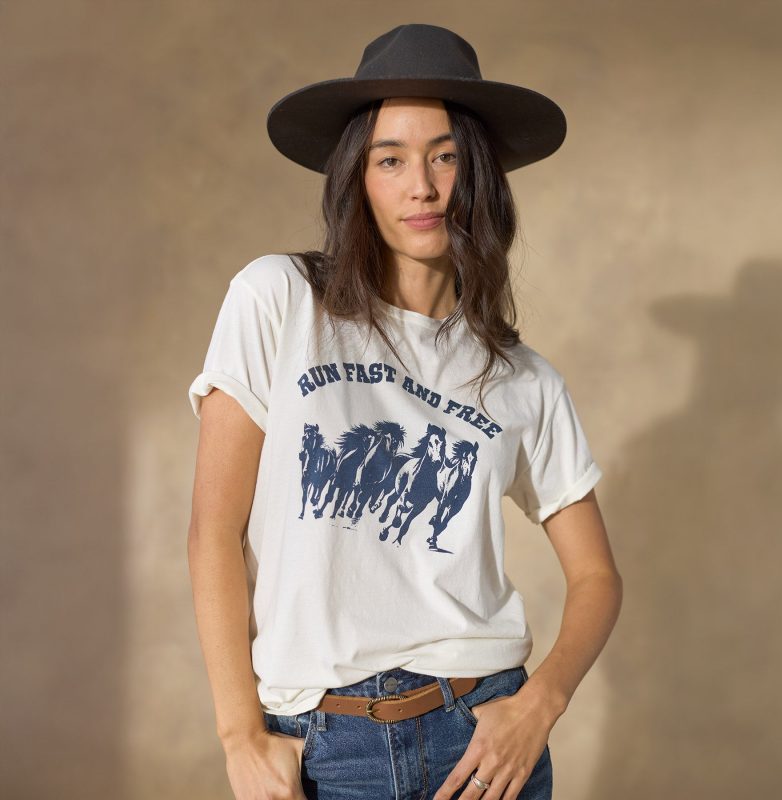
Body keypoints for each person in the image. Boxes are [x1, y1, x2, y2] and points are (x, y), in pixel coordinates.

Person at [187, 23, 623, 800]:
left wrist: (539, 706)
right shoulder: (278, 300)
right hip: (325, 749)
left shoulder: (522, 378)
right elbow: (213, 533)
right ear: (358, 177)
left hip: (481, 742)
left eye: (445, 157)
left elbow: (596, 576)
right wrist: (241, 737)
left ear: (478, 175)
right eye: (390, 159)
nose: (422, 186)